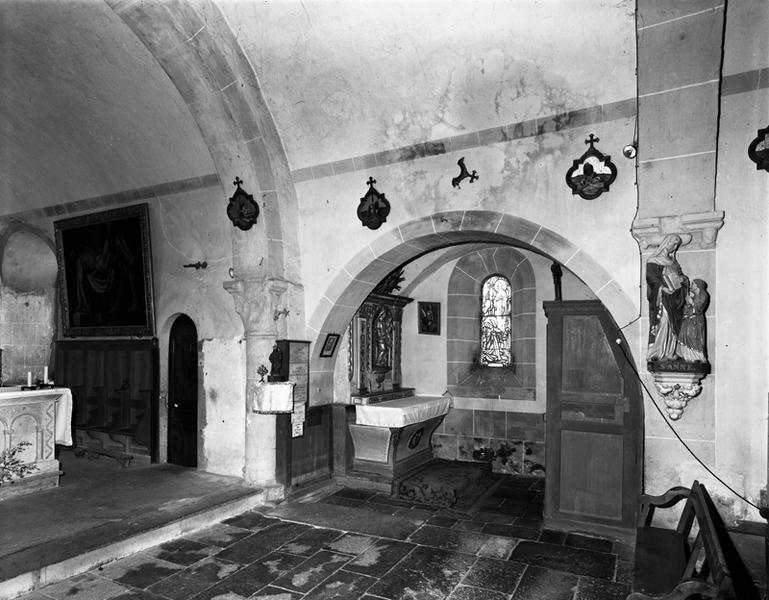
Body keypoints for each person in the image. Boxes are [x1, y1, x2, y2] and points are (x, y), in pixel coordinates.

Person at [646, 234, 688, 361]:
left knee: (674, 324)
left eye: (677, 244)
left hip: (675, 298)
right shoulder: (654, 260)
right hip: (662, 297)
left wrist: (682, 279)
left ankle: (670, 352)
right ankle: (657, 352)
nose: (674, 246)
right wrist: (663, 288)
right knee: (664, 321)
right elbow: (651, 279)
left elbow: (682, 277)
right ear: (666, 242)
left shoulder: (673, 262)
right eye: (673, 243)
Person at [677, 279, 709, 362]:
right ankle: (686, 356)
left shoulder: (703, 295)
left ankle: (697, 357)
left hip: (696, 321)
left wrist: (692, 302)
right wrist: (687, 304)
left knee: (694, 337)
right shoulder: (694, 296)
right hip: (688, 320)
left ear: (698, 286)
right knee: (684, 335)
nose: (691, 286)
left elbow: (699, 309)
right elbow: (686, 309)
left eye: (693, 284)